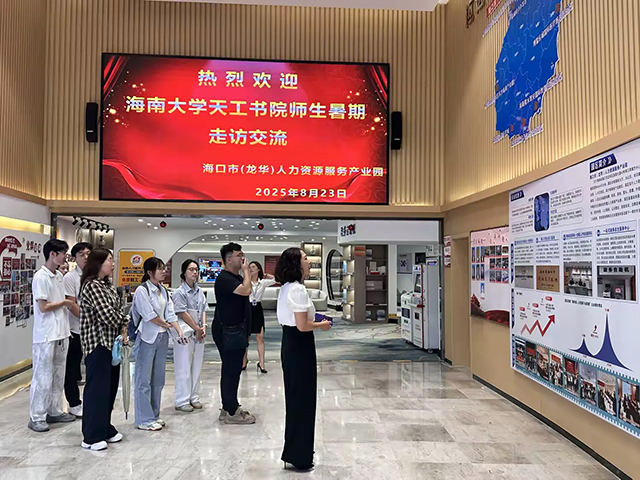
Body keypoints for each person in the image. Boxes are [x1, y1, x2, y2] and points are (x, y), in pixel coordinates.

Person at [275, 247, 332, 471]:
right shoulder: (297, 289)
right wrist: (322, 325)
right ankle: (300, 455)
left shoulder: (286, 288)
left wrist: (315, 318)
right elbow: (302, 325)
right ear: (296, 264)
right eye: (306, 259)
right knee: (303, 400)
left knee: (297, 398)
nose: (309, 262)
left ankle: (296, 451)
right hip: (300, 345)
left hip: (291, 344)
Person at [79, 248, 128, 451]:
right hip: (97, 344)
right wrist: (125, 320)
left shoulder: (107, 285)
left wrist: (123, 321)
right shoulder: (92, 286)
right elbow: (108, 315)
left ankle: (104, 427)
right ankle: (91, 436)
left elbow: (119, 309)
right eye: (109, 260)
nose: (112, 264)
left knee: (109, 389)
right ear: (98, 263)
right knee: (96, 390)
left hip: (111, 344)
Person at [29, 239, 76, 432]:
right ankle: (37, 416)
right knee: (43, 376)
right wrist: (65, 303)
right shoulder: (41, 277)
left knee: (58, 375)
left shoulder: (58, 276)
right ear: (52, 254)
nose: (66, 257)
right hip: (46, 334)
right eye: (63, 253)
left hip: (62, 332)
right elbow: (43, 306)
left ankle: (54, 410)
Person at [132, 257, 185, 431]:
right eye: (160, 268)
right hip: (147, 337)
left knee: (158, 379)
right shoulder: (142, 290)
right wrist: (166, 324)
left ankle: (154, 414)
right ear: (149, 272)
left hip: (162, 338)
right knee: (143, 379)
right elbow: (149, 315)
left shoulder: (163, 290)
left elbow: (170, 313)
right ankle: (143, 418)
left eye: (164, 268)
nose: (164, 271)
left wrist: (178, 330)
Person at [212, 242, 255, 425]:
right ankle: (231, 411)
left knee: (233, 370)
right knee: (231, 370)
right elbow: (247, 290)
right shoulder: (225, 279)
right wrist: (246, 271)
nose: (243, 258)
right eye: (239, 255)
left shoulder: (234, 278)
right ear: (228, 260)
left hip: (236, 331)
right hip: (228, 332)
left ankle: (229, 406)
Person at [172, 259, 207, 413]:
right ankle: (182, 400)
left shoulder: (199, 292)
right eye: (191, 269)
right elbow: (182, 312)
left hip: (198, 332)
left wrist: (203, 326)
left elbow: (204, 309)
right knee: (184, 366)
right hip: (185, 333)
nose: (195, 272)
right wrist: (196, 328)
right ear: (184, 272)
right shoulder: (180, 292)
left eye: (196, 269)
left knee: (196, 366)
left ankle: (194, 396)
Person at [63, 242, 93, 418]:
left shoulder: (94, 276)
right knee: (73, 369)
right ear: (74, 258)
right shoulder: (70, 278)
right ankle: (74, 403)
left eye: (88, 253)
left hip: (93, 331)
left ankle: (91, 402)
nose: (86, 257)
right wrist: (88, 319)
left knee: (93, 367)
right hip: (76, 330)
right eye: (82, 254)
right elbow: (71, 304)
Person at [243, 261, 275, 373]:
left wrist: (268, 275)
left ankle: (261, 363)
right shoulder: (245, 281)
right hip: (247, 308)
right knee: (246, 337)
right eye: (249, 267)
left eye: (253, 267)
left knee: (260, 337)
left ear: (258, 269)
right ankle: (244, 360)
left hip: (257, 309)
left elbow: (277, 280)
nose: (251, 269)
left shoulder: (263, 282)